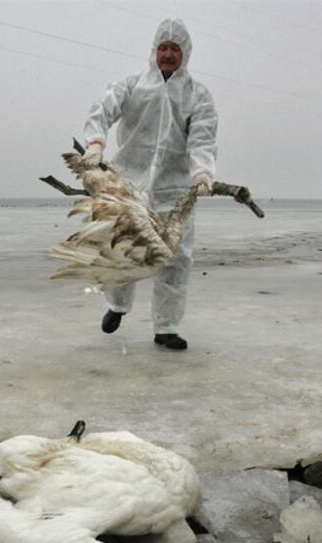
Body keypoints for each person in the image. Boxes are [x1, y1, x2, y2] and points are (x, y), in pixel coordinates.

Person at [83, 18, 218, 350]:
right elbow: (102, 109)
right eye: (163, 48)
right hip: (130, 182)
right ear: (154, 51)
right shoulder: (131, 85)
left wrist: (202, 171)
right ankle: (117, 306)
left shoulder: (197, 95)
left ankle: (166, 327)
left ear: (185, 53)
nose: (168, 54)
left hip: (174, 190)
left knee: (176, 256)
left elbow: (202, 138)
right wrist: (95, 143)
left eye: (175, 49)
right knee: (124, 247)